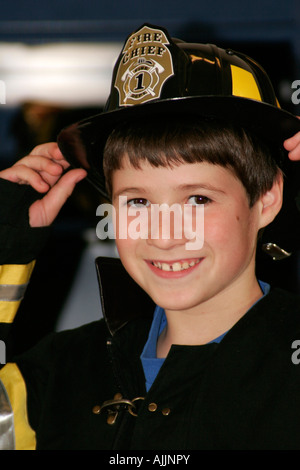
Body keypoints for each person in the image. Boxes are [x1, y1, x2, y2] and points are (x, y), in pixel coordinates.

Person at [0, 23, 300, 451]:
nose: (164, 235)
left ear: (266, 199)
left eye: (197, 199)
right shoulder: (61, 371)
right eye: (137, 203)